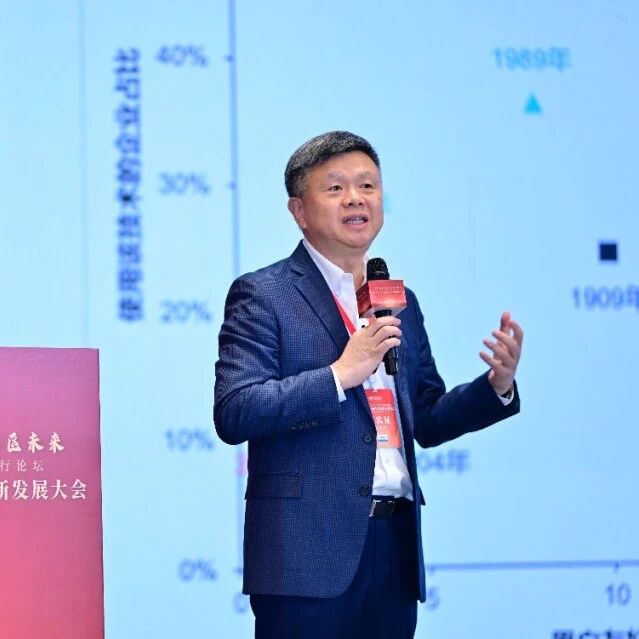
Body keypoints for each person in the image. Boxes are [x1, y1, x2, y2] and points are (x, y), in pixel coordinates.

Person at [214, 131, 523, 639]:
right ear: (299, 211)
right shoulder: (264, 294)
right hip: (306, 553)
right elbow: (236, 409)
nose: (356, 199)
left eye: (367, 186)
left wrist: (495, 386)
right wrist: (340, 374)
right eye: (335, 188)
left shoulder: (398, 300)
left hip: (394, 544)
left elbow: (426, 415)